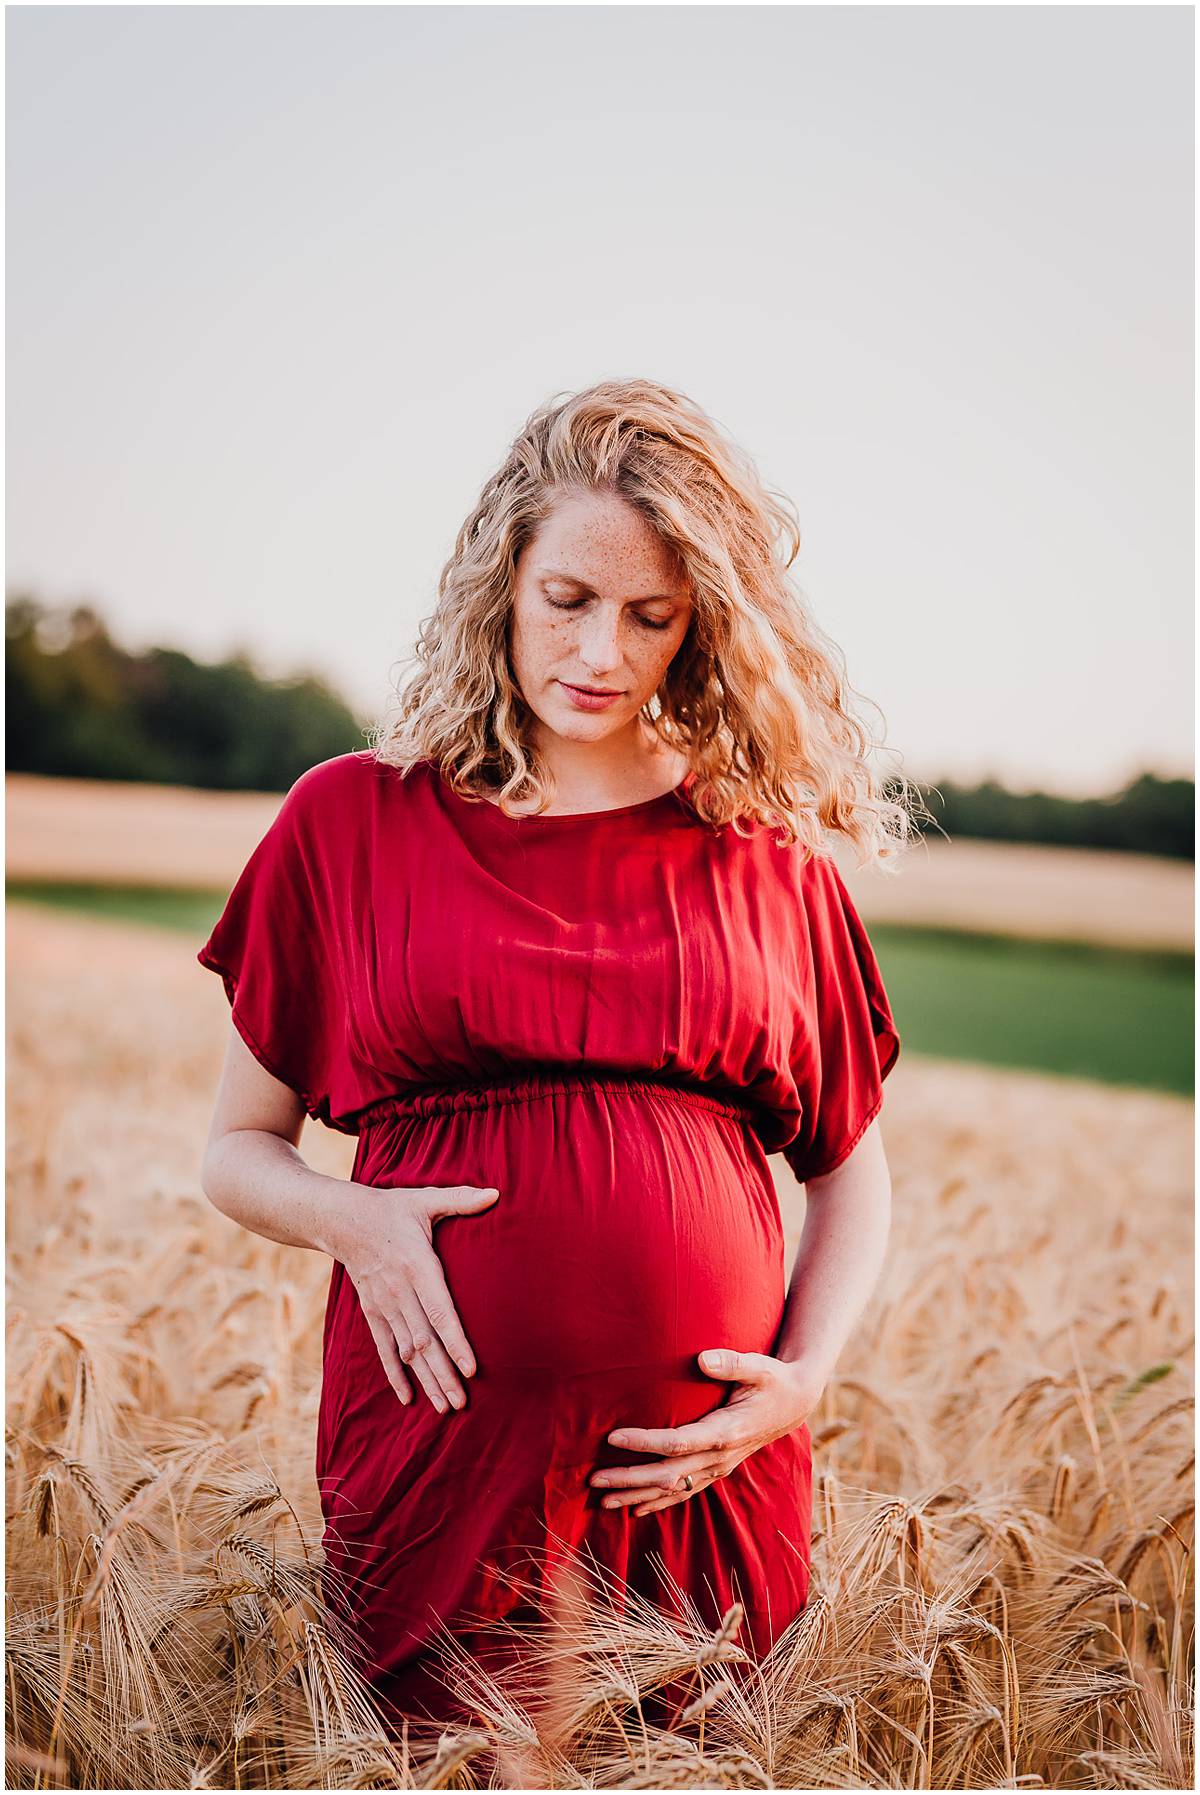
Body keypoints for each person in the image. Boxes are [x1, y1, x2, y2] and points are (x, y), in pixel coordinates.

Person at [197, 377, 911, 1740]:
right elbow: (236, 1152)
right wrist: (353, 1220)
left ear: (704, 626)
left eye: (654, 617)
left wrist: (806, 1379)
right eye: (567, 599)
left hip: (700, 1476)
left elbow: (853, 1178)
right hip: (438, 1461)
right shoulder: (352, 821)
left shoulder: (761, 856)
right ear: (501, 583)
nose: (602, 649)